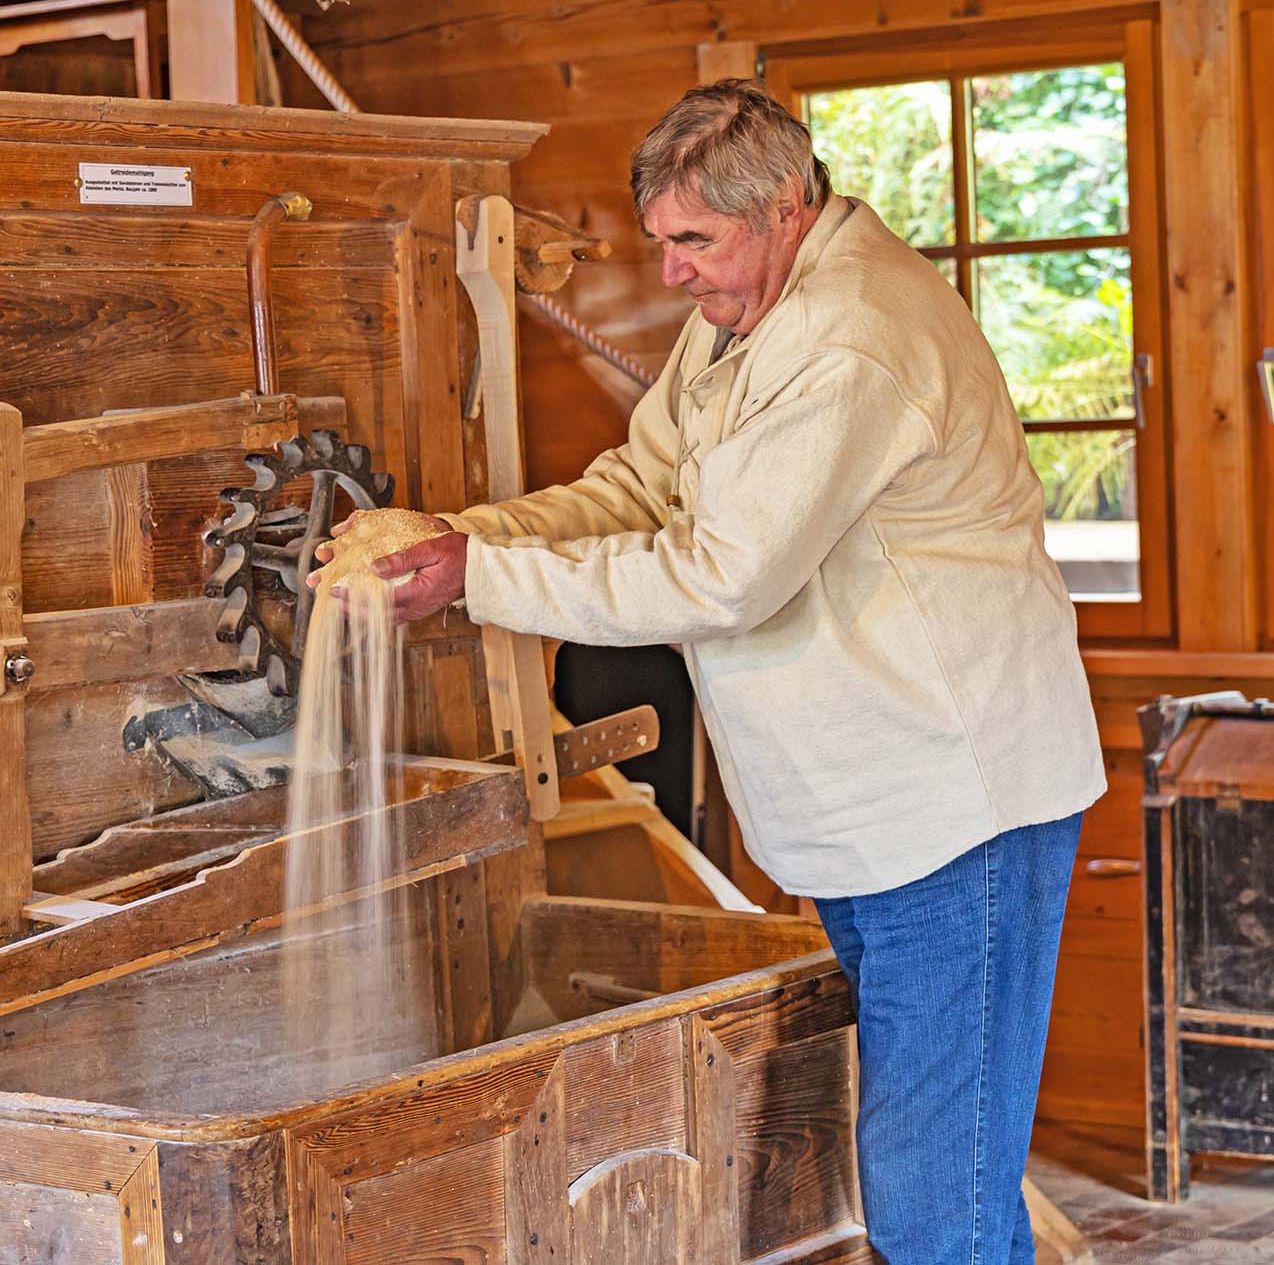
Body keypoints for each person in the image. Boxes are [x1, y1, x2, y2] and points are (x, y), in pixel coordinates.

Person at [334, 79, 1105, 1262]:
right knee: (929, 1162)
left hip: (955, 803)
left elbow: (717, 576)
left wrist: (472, 581)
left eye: (694, 240)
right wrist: (470, 533)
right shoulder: (743, 318)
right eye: (659, 241)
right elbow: (641, 490)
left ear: (788, 207)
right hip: (880, 798)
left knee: (930, 1187)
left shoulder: (851, 338)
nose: (671, 273)